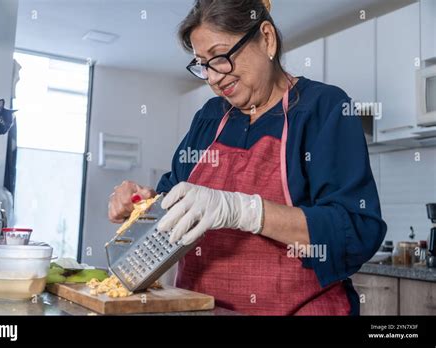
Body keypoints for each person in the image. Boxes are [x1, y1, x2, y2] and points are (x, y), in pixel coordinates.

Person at [108, 0, 386, 315]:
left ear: (266, 38)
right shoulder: (210, 118)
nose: (213, 77)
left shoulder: (323, 109)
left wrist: (246, 212)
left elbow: (357, 231)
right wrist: (142, 203)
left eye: (220, 56)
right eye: (202, 64)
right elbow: (171, 200)